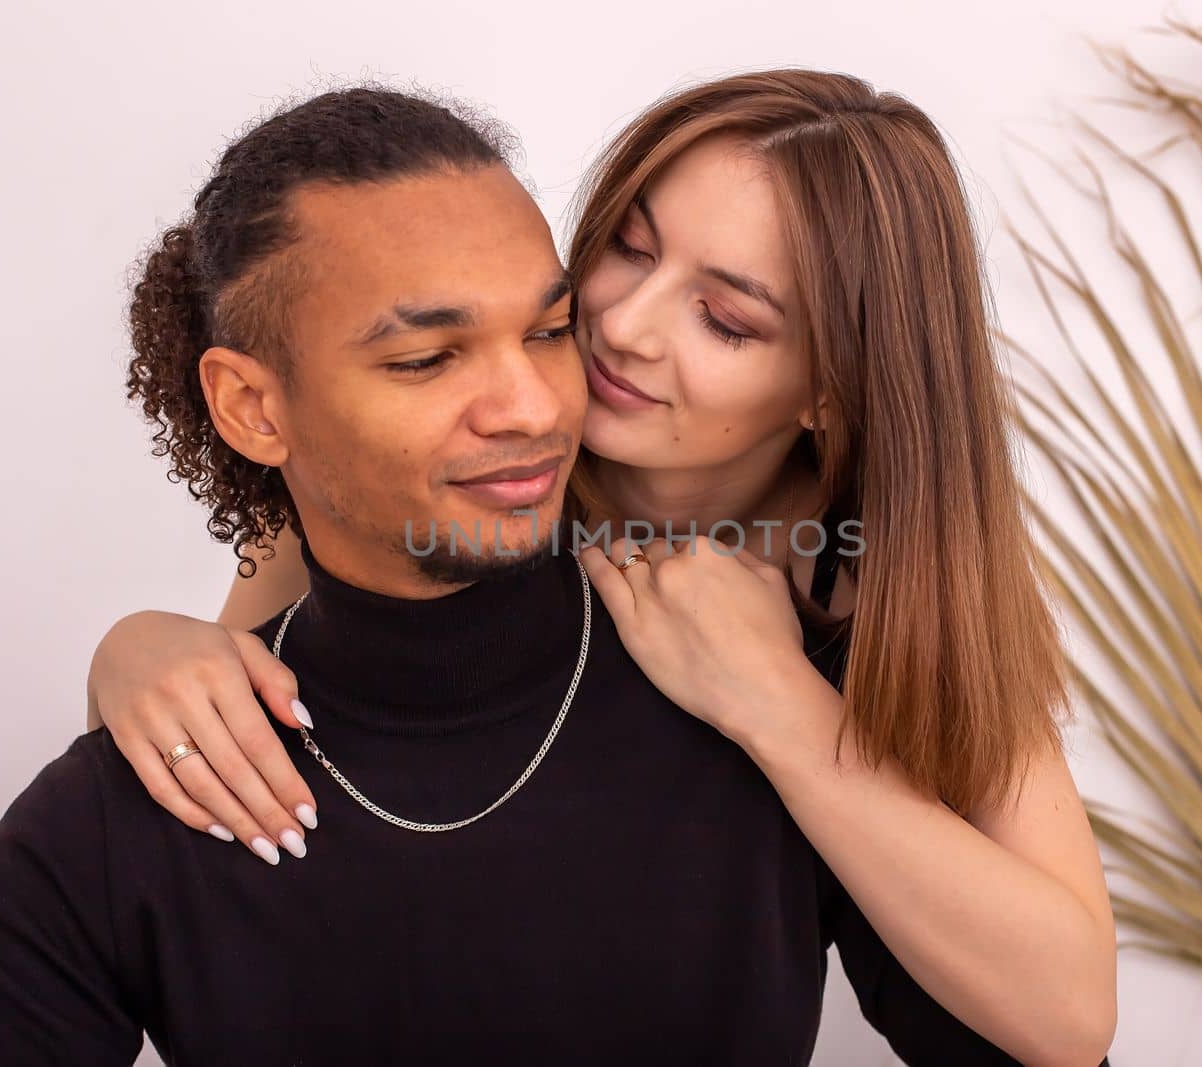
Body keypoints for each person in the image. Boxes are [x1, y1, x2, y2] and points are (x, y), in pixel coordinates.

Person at [83, 71, 1118, 1065]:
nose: (620, 326)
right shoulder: (453, 485)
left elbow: (1069, 1020)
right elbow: (169, 790)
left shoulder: (875, 591)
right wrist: (134, 654)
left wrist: (777, 704)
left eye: (725, 318)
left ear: (831, 390)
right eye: (627, 249)